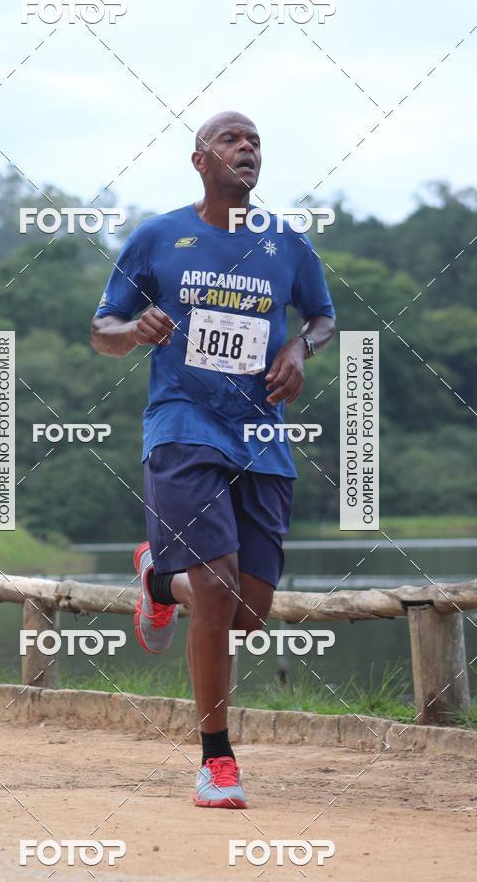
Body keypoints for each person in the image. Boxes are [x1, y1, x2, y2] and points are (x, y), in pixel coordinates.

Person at [90, 111, 335, 809]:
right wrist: (134, 328)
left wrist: (298, 349)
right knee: (220, 590)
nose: (247, 148)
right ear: (199, 161)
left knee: (247, 613)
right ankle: (216, 760)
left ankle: (159, 583)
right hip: (182, 424)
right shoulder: (159, 237)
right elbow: (101, 328)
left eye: (255, 140)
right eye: (231, 140)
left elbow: (322, 316)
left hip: (260, 433)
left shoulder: (287, 242)